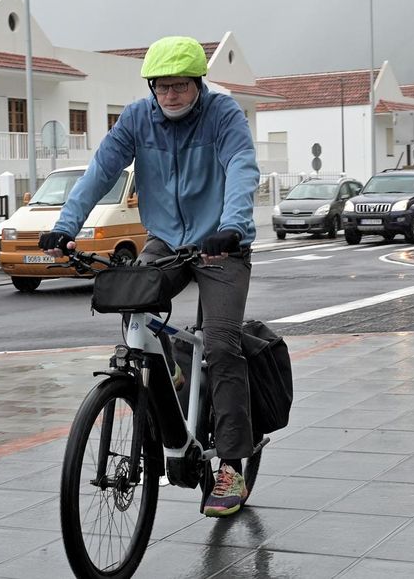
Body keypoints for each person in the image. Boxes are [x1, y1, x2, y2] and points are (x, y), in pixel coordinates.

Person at [38, 35, 261, 517]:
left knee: (222, 345)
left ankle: (232, 463)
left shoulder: (224, 115)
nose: (171, 95)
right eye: (162, 86)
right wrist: (64, 226)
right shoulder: (138, 119)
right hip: (166, 242)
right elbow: (101, 171)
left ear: (198, 84)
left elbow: (242, 168)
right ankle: (176, 379)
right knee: (132, 309)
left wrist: (232, 228)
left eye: (180, 85)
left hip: (223, 244)